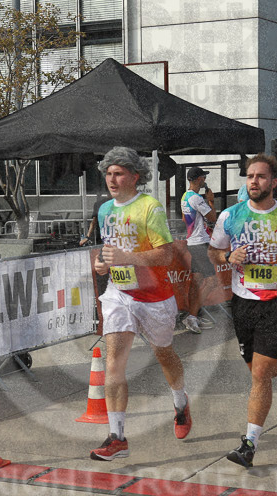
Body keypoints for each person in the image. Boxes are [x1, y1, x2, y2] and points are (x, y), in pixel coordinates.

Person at [207, 154, 277, 468]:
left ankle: (249, 444)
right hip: (243, 304)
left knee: (259, 374)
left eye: (260, 176)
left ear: (273, 182)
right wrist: (229, 256)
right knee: (260, 371)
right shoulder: (230, 216)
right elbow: (213, 253)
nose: (253, 181)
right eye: (249, 176)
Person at [90, 146, 191, 461]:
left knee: (164, 355)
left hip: (155, 298)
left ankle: (180, 402)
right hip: (118, 294)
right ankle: (117, 437)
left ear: (135, 176)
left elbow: (166, 254)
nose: (112, 179)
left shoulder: (150, 208)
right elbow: (110, 250)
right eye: (108, 173)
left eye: (118, 172)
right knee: (114, 362)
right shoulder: (105, 210)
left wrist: (128, 258)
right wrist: (103, 266)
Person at [179, 166, 219, 334]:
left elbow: (184, 218)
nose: (204, 180)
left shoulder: (185, 196)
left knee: (197, 282)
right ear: (197, 180)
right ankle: (192, 316)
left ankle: (193, 315)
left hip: (192, 242)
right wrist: (211, 200)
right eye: (203, 177)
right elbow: (213, 217)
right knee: (212, 281)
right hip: (200, 243)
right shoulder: (196, 198)